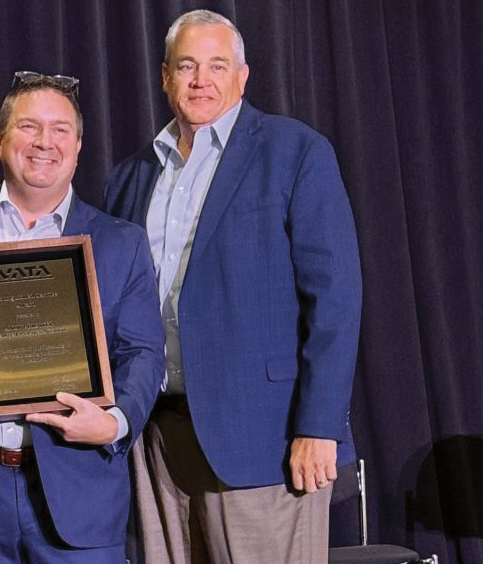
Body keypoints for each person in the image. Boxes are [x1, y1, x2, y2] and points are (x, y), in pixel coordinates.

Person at [102, 10, 362, 564]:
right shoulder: (131, 176)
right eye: (188, 66)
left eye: (218, 65)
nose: (202, 80)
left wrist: (320, 426)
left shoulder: (295, 153)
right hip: (157, 439)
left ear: (243, 77)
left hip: (263, 438)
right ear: (165, 77)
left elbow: (335, 301)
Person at [0, 73, 164, 563]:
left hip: (78, 487)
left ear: (79, 146)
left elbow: (144, 352)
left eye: (60, 130)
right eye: (28, 127)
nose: (45, 142)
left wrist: (115, 421)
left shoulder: (121, 243)